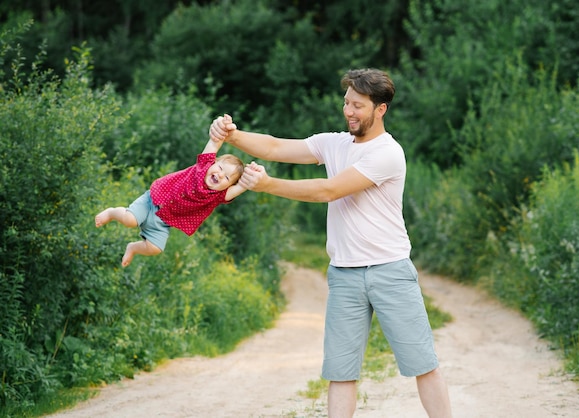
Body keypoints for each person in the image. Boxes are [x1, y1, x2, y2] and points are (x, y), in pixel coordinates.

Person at [209, 68, 452, 417]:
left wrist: (267, 185)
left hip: (390, 271)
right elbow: (277, 146)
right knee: (340, 372)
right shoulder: (335, 143)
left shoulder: (387, 153)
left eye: (358, 105)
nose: (349, 111)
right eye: (346, 103)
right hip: (344, 275)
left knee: (422, 363)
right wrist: (232, 136)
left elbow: (328, 190)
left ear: (380, 109)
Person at [95, 135, 246, 267]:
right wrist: (223, 128)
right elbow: (214, 142)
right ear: (212, 162)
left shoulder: (217, 196)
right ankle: (111, 212)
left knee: (155, 248)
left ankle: (133, 248)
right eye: (219, 167)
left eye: (226, 177)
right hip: (152, 201)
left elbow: (241, 186)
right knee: (129, 220)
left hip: (164, 221)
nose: (219, 175)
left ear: (228, 186)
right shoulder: (202, 166)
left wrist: (252, 178)